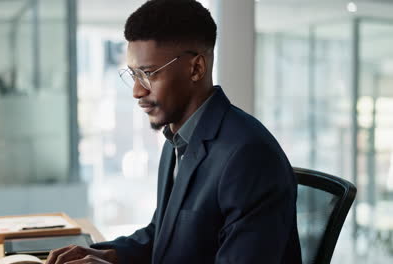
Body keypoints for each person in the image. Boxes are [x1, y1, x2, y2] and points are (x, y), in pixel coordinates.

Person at [46, 0, 301, 263]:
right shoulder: (177, 139)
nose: (137, 91)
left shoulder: (249, 156)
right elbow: (164, 235)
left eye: (148, 74)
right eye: (133, 74)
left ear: (196, 68)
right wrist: (109, 255)